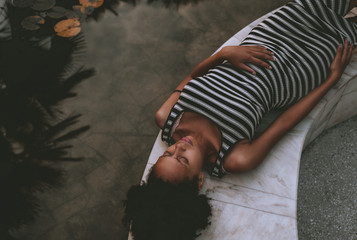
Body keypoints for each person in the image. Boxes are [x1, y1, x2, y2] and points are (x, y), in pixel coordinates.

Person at [123, 0, 357, 239]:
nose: (179, 146)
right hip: (297, 69)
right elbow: (285, 122)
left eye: (168, 153)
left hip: (268, 36)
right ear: (199, 180)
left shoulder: (166, 117)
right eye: (183, 160)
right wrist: (332, 79)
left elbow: (192, 76)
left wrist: (224, 54)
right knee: (349, 33)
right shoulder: (235, 158)